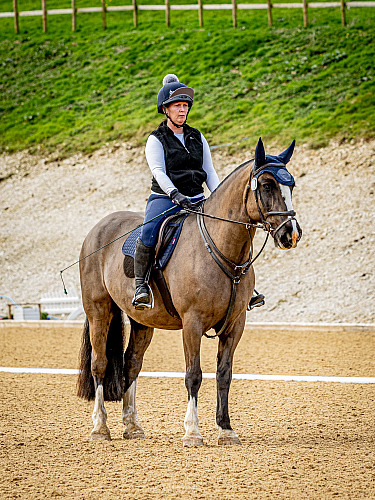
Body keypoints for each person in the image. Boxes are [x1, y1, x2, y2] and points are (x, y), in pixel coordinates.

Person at [132, 74, 265, 311]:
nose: (182, 111)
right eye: (177, 106)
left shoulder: (197, 137)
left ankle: (247, 287)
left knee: (233, 230)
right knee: (149, 232)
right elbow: (159, 172)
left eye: (185, 106)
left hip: (196, 198)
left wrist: (219, 198)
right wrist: (175, 194)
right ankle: (141, 286)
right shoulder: (156, 139)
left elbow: (209, 171)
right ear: (165, 109)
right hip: (166, 199)